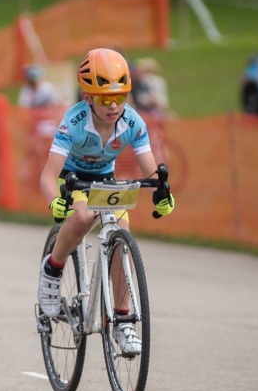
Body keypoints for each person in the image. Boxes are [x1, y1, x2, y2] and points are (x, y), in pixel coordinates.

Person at [36, 49, 175, 355]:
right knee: (84, 218)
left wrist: (161, 192)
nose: (113, 106)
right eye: (104, 99)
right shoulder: (72, 122)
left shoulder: (133, 121)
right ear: (88, 96)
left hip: (104, 179)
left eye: (120, 97)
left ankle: (123, 321)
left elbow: (150, 168)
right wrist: (54, 202)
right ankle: (53, 267)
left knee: (122, 239)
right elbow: (48, 177)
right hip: (71, 179)